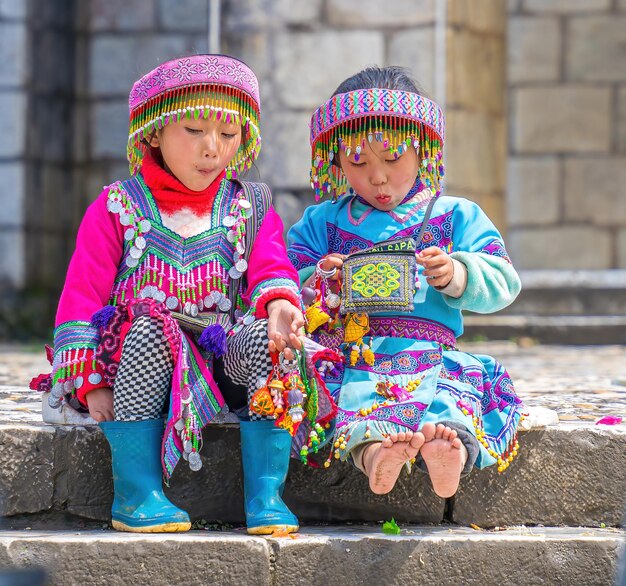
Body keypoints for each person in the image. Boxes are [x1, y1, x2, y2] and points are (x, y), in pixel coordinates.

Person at [33, 54, 304, 534]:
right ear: (153, 133)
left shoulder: (251, 205)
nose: (212, 149)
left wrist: (281, 305)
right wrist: (91, 382)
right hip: (140, 359)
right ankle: (137, 494)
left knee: (269, 339)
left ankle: (266, 494)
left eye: (228, 134)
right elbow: (81, 297)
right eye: (195, 131)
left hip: (222, 363)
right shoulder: (117, 207)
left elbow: (271, 267)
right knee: (151, 326)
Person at [287, 66, 525, 499]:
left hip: (431, 353)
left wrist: (457, 273)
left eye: (393, 158)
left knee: (456, 388)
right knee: (337, 393)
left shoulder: (455, 216)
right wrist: (321, 279)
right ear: (335, 162)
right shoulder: (321, 223)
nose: (378, 177)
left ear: (424, 150)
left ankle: (446, 445)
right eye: (358, 162)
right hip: (352, 353)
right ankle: (375, 454)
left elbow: (503, 280)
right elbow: (282, 282)